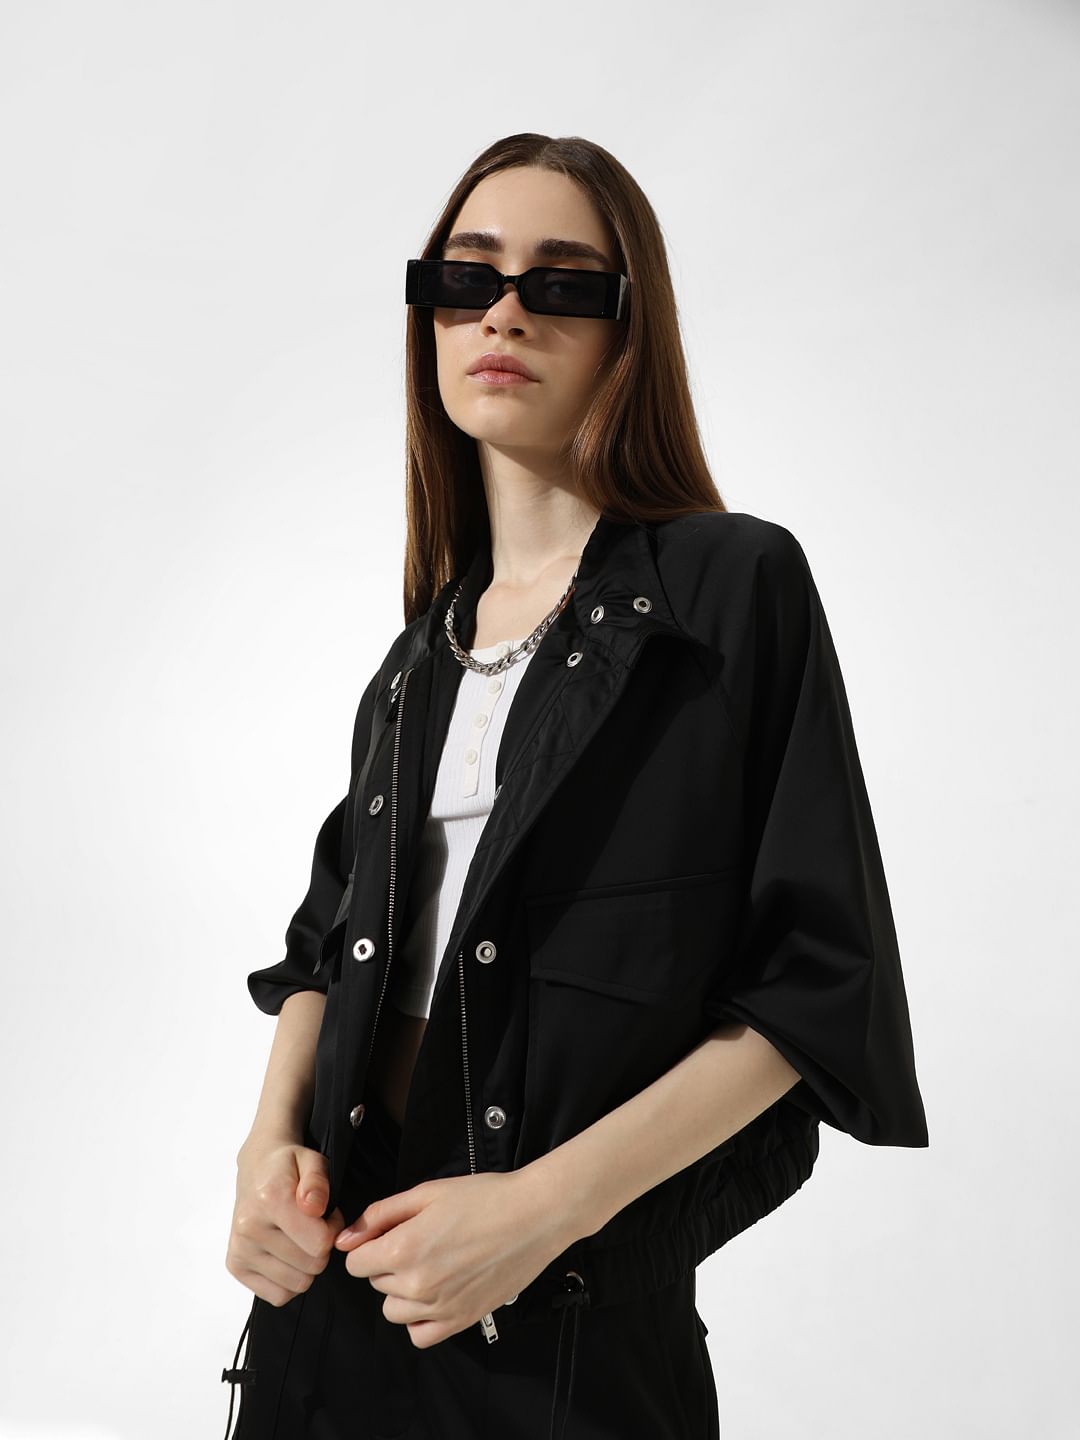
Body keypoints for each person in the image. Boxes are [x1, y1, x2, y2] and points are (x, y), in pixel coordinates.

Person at [221, 133, 929, 1440]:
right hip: (330, 1313)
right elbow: (324, 944)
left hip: (564, 1333)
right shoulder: (418, 655)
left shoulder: (729, 590)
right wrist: (266, 1155)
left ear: (626, 333)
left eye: (560, 283)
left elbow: (814, 985)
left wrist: (543, 1212)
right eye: (465, 278)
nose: (501, 312)